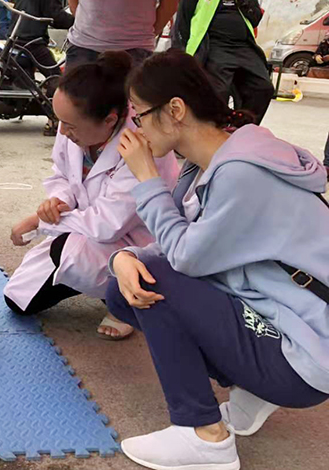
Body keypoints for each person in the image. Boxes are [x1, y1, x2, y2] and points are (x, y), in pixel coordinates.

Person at [108, 51, 329, 470]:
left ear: (175, 110)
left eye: (139, 115)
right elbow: (190, 247)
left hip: (309, 353)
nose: (136, 130)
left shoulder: (243, 174)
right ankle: (254, 392)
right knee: (124, 287)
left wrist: (147, 179)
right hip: (292, 322)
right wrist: (123, 256)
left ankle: (204, 436)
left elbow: (185, 258)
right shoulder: (215, 162)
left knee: (153, 280)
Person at [6, 51, 178, 339]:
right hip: (85, 232)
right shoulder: (72, 123)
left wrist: (39, 221)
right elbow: (62, 173)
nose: (62, 131)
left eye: (70, 125)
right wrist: (60, 201)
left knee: (67, 251)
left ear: (110, 120)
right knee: (17, 300)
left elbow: (107, 225)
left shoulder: (140, 143)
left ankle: (123, 302)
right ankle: (94, 282)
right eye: (59, 120)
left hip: (135, 243)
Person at [173, 0, 274, 124]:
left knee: (263, 87)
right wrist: (181, 55)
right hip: (213, 45)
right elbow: (183, 20)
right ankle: (215, 129)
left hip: (242, 46)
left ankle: (242, 128)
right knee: (218, 90)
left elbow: (254, 19)